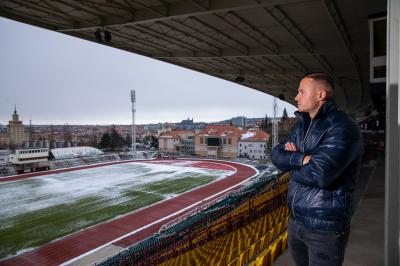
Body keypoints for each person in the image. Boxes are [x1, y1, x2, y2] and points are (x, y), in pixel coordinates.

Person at [271, 73, 363, 266]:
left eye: (301, 92)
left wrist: (291, 166)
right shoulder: (302, 125)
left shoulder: (342, 127)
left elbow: (321, 175)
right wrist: (302, 158)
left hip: (324, 228)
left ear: (321, 95)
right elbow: (277, 155)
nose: (296, 97)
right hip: (296, 221)